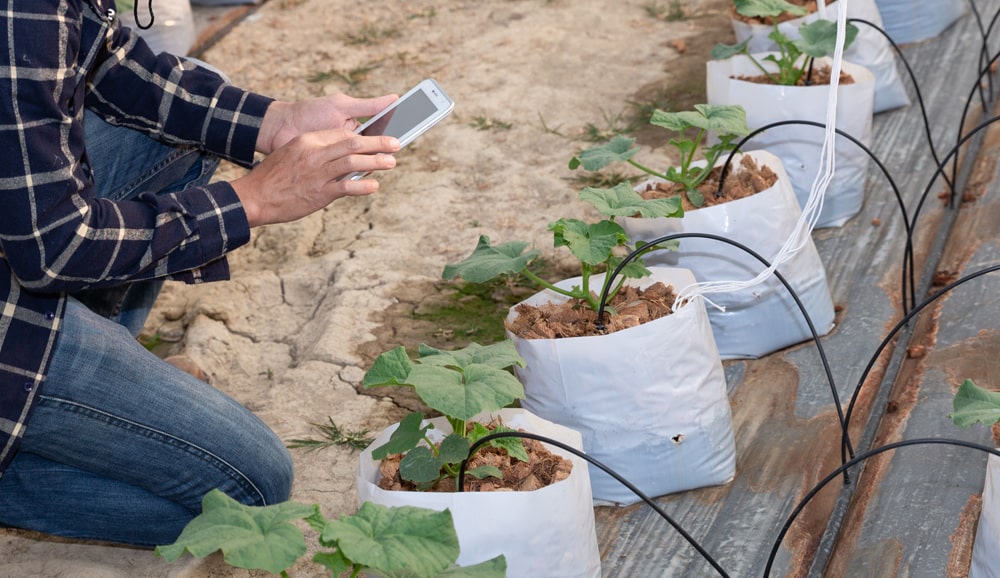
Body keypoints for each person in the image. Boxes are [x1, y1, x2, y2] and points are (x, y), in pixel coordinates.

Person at [0, 1, 401, 547]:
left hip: (21, 237)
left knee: (195, 114)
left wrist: (273, 121)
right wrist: (252, 200)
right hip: (20, 289)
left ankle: (87, 388)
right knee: (249, 492)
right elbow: (55, 245)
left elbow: (113, 63)